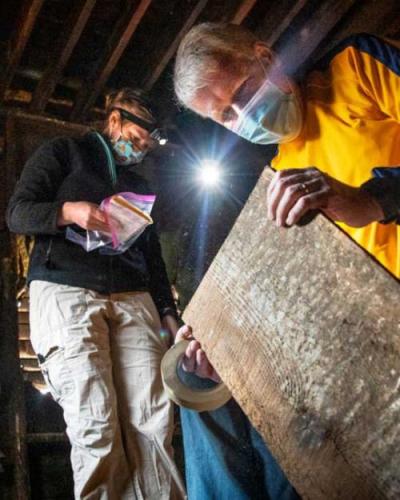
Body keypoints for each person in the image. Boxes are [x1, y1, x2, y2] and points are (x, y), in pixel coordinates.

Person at [172, 22, 400, 500]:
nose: (243, 116)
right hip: (366, 341)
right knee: (208, 388)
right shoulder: (278, 173)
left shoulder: (357, 67)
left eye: (243, 92)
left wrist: (373, 200)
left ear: (265, 57)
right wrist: (234, 355)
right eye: (227, 117)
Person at [7, 88, 186, 499]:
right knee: (97, 422)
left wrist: (167, 312)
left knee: (154, 419)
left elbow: (152, 255)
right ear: (115, 121)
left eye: (148, 144)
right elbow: (18, 213)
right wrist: (69, 211)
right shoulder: (64, 153)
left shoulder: (139, 183)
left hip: (133, 297)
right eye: (136, 138)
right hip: (67, 289)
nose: (140, 149)